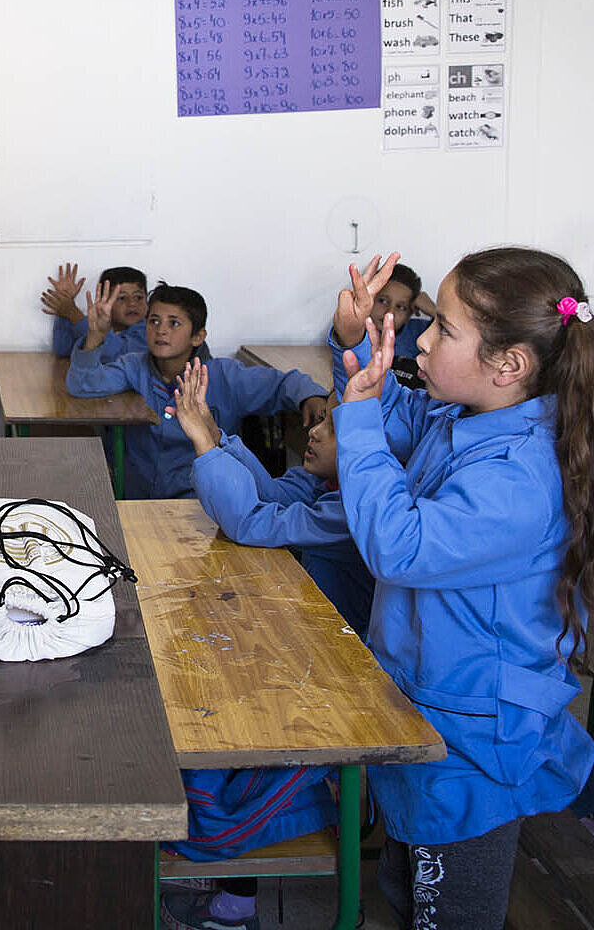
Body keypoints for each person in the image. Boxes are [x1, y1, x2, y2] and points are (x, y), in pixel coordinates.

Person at [330, 249, 594, 930]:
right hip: (430, 703)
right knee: (403, 882)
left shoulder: (519, 480)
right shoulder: (469, 419)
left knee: (450, 912)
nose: (421, 337)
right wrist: (358, 346)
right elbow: (395, 422)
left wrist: (356, 421)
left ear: (509, 365)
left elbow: (400, 545)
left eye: (442, 329)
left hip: (472, 737)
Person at [66, 281, 327, 499]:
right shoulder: (134, 366)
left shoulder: (224, 376)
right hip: (139, 498)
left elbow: (281, 384)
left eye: (174, 323)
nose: (161, 331)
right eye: (154, 321)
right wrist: (95, 337)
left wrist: (310, 395)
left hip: (201, 503)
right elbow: (83, 384)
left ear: (197, 337)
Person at [174, 370, 373, 638]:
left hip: (342, 644)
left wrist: (205, 446)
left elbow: (253, 522)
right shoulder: (326, 481)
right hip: (314, 623)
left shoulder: (351, 512)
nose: (314, 432)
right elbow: (272, 496)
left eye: (333, 429)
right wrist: (214, 433)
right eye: (322, 418)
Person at [41, 262, 148, 361]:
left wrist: (74, 314)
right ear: (103, 301)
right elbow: (63, 349)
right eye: (122, 298)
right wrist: (65, 308)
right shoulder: (95, 323)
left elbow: (113, 353)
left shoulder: (148, 332)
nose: (132, 303)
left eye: (138, 297)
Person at [370, 261, 436, 390]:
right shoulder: (356, 334)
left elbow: (460, 339)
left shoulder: (423, 333)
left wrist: (434, 311)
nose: (389, 313)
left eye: (401, 307)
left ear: (410, 313)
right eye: (383, 301)